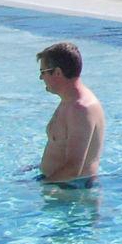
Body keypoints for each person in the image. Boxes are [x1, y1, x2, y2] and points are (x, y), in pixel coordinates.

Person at [36, 41, 105, 186]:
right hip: (57, 185)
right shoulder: (68, 101)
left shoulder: (81, 109)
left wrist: (38, 187)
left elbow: (74, 168)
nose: (41, 78)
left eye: (43, 72)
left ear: (58, 73)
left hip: (72, 192)